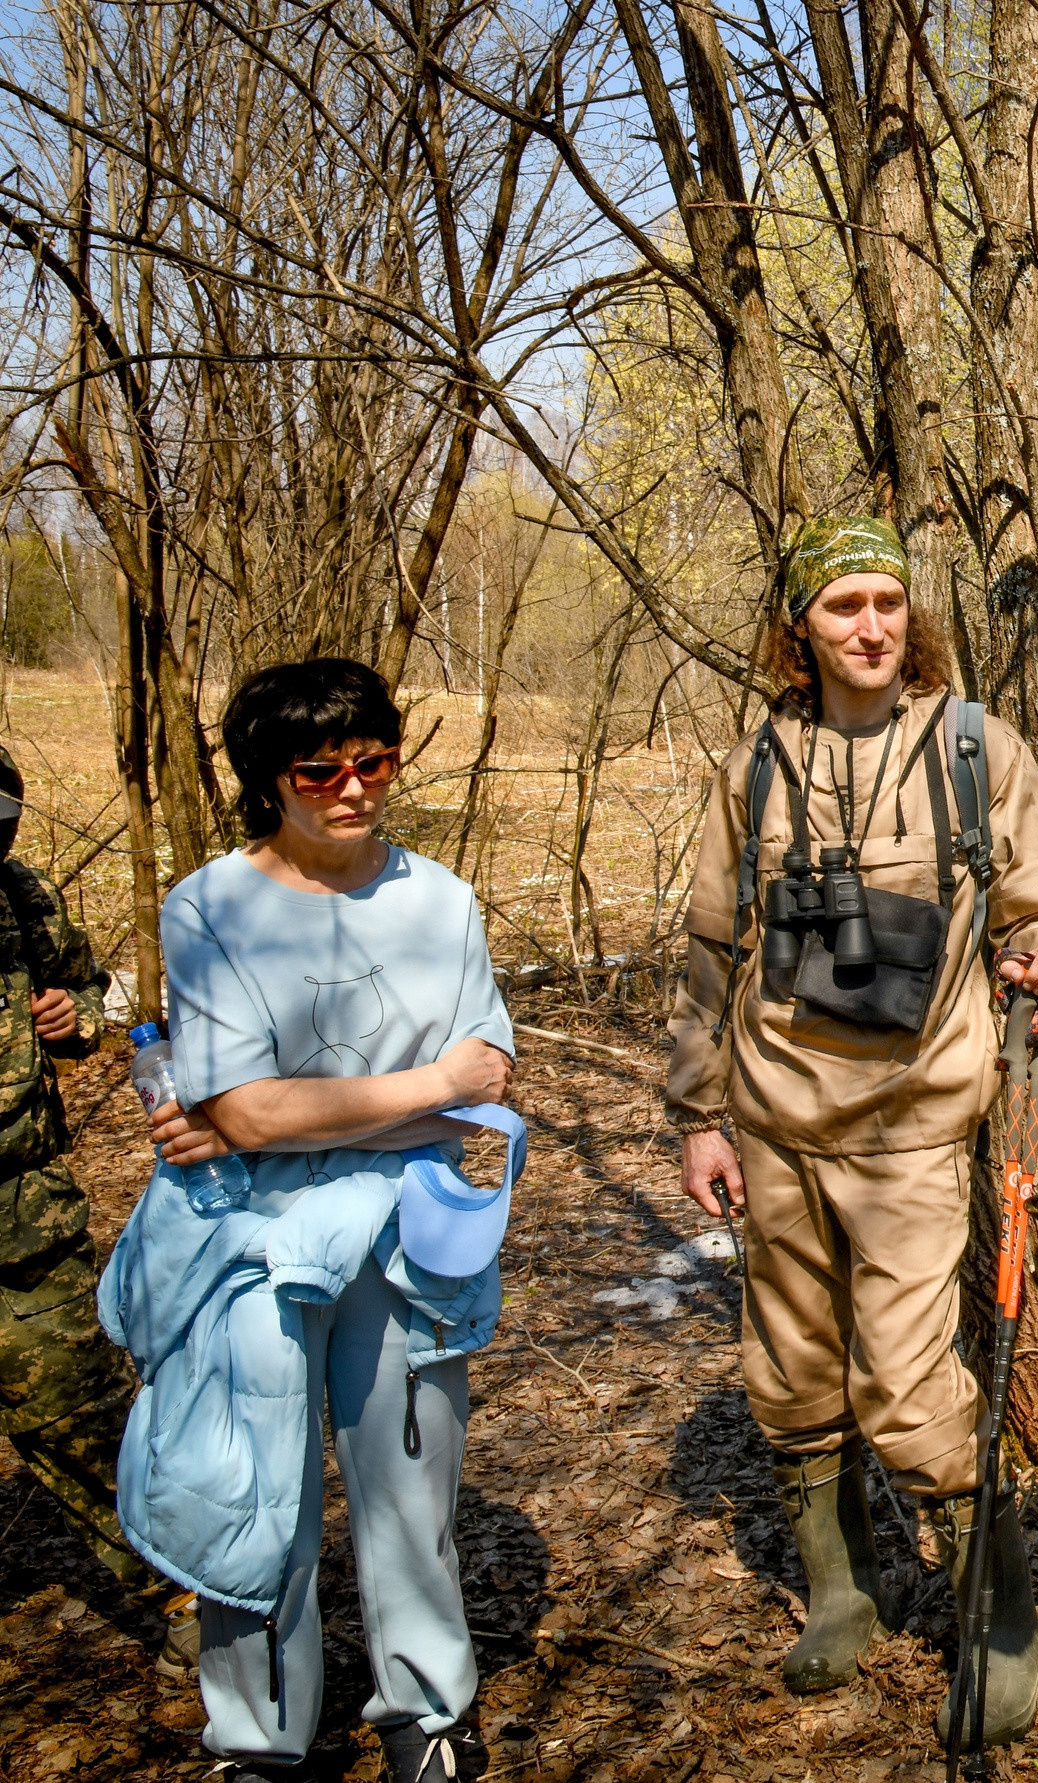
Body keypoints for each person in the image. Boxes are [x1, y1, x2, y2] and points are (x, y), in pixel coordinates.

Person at [663, 517, 1038, 1736]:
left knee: (907, 1385)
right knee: (790, 1375)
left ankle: (996, 1620)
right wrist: (699, 1115)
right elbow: (707, 952)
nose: (870, 626)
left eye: (887, 603)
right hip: (771, 1120)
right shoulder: (754, 763)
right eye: (843, 604)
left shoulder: (972, 748)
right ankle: (839, 1588)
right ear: (799, 626)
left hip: (911, 1125)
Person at [137, 658, 518, 1783]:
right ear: (270, 780)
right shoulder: (210, 906)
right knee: (250, 1489)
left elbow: (484, 1074)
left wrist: (279, 1114)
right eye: (319, 770)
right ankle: (258, 1741)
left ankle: (427, 1716)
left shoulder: (440, 901)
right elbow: (246, 1111)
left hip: (407, 1238)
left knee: (411, 1487)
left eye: (374, 761)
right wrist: (412, 1090)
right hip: (246, 1247)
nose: (351, 788)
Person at [0, 744, 195, 1666]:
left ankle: (188, 1595)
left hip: (23, 1221)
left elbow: (90, 991)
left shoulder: (19, 895)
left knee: (89, 1413)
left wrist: (72, 1016)